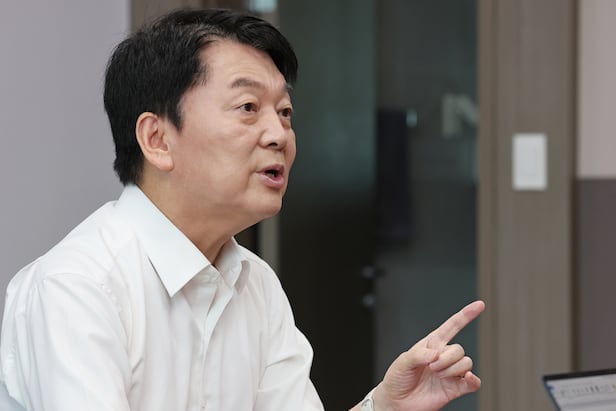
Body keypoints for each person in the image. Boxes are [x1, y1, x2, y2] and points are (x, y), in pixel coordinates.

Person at [0, 8, 484, 411]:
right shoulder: (77, 288)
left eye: (285, 112)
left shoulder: (255, 283)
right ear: (157, 139)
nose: (279, 135)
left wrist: (384, 407)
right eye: (248, 107)